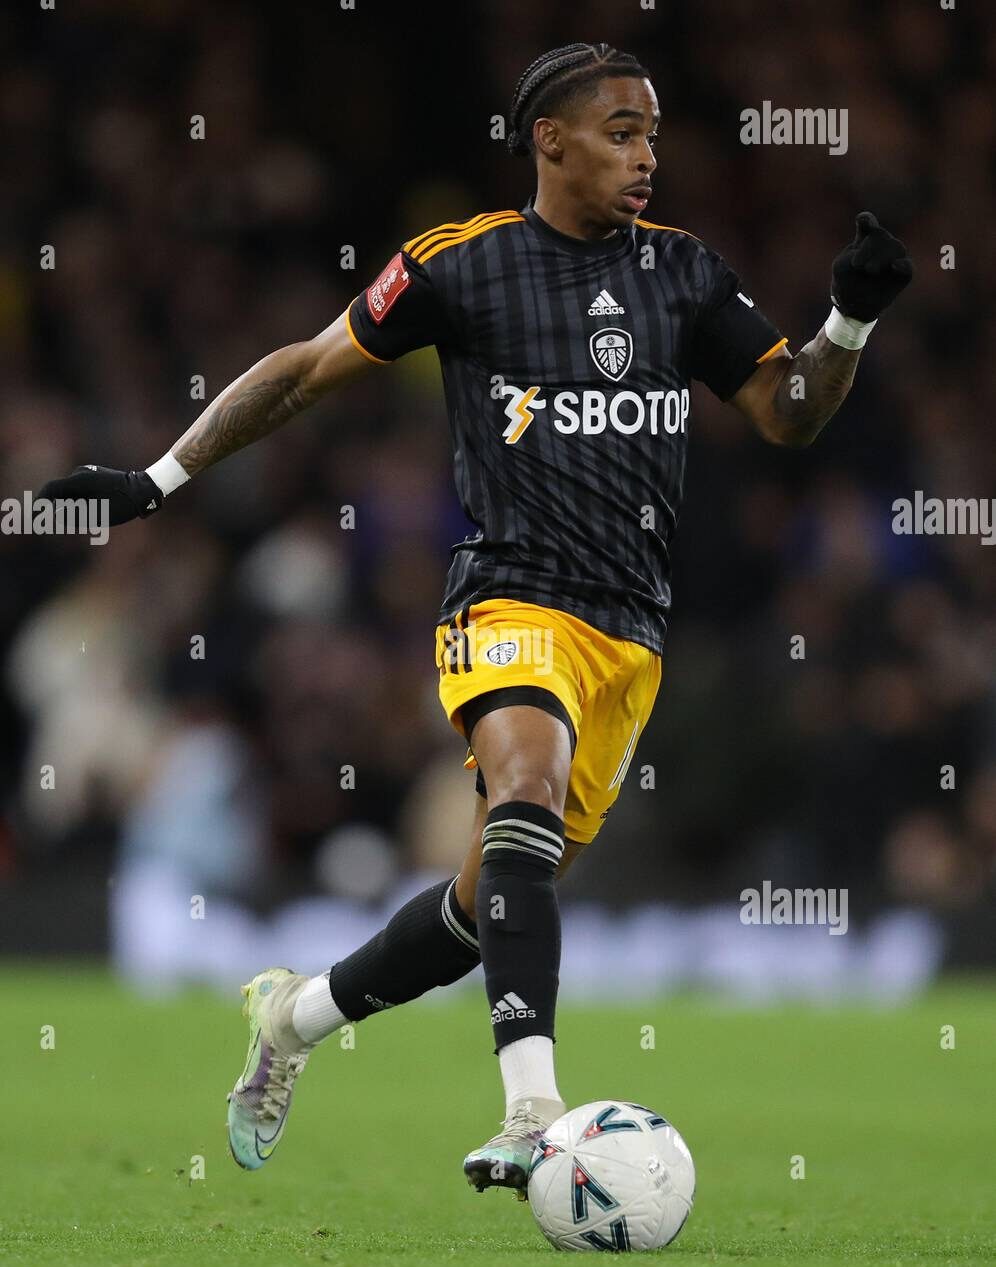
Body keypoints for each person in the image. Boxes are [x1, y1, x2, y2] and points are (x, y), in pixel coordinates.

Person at [39, 41, 912, 1194]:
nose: (647, 157)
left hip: (629, 636)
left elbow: (788, 411)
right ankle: (532, 1112)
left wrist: (848, 321)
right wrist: (157, 478)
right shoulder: (463, 264)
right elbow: (303, 369)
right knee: (525, 790)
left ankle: (294, 1016)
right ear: (550, 140)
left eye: (652, 135)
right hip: (509, 597)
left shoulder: (685, 273)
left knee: (480, 904)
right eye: (622, 133)